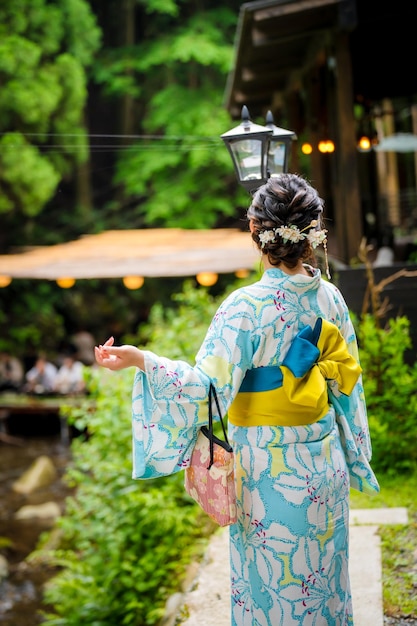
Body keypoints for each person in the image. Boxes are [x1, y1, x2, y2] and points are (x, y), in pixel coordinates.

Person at [95, 173, 379, 626]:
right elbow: (348, 388)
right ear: (313, 233)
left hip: (268, 474)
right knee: (325, 590)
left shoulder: (244, 308)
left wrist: (141, 360)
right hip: (325, 466)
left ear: (255, 231)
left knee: (272, 593)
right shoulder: (332, 299)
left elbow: (205, 389)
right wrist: (357, 457)